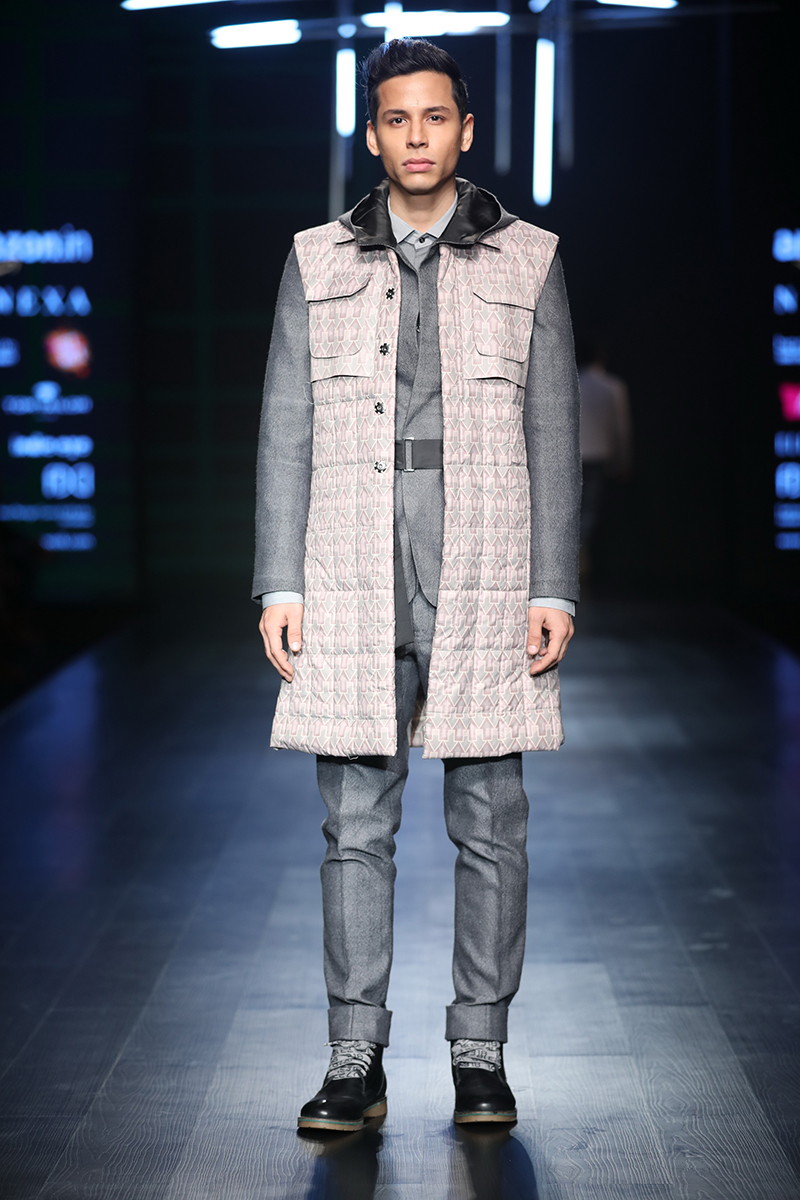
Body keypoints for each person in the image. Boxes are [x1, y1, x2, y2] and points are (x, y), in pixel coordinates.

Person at [253, 38, 581, 1131]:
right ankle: (355, 1056)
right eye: (397, 119)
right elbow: (285, 429)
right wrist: (278, 581)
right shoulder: (315, 260)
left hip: (485, 563)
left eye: (435, 117)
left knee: (491, 820)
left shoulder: (530, 258)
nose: (417, 137)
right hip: (351, 562)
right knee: (354, 823)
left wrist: (553, 585)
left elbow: (553, 429)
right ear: (373, 134)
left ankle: (479, 1052)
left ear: (466, 130)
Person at [577, 338, 632, 573]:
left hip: (575, 454)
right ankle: (581, 551)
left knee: (575, 508)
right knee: (590, 508)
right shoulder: (612, 386)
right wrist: (624, 458)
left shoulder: (572, 383)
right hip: (599, 454)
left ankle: (577, 553)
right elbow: (621, 427)